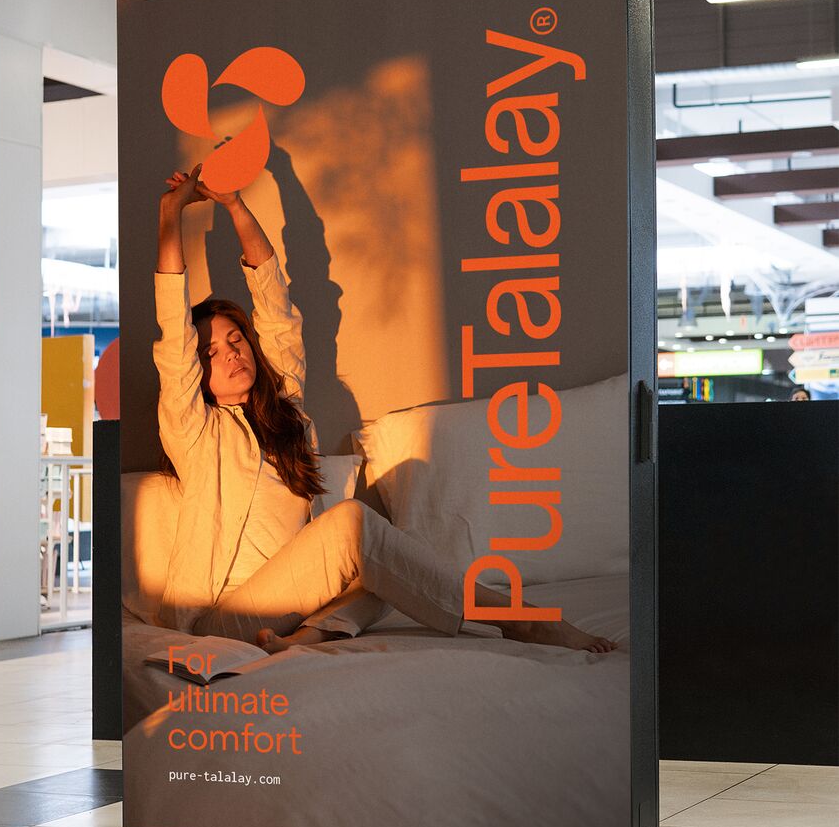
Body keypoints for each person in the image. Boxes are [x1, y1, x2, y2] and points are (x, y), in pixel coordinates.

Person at [154, 163, 617, 654]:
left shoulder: (285, 412)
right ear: (197, 373)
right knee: (355, 525)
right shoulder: (193, 430)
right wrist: (170, 212)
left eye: (236, 338)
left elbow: (275, 306)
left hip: (292, 601)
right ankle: (517, 621)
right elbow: (174, 333)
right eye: (210, 352)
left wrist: (235, 205)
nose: (230, 352)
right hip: (223, 618)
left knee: (398, 563)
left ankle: (306, 637)